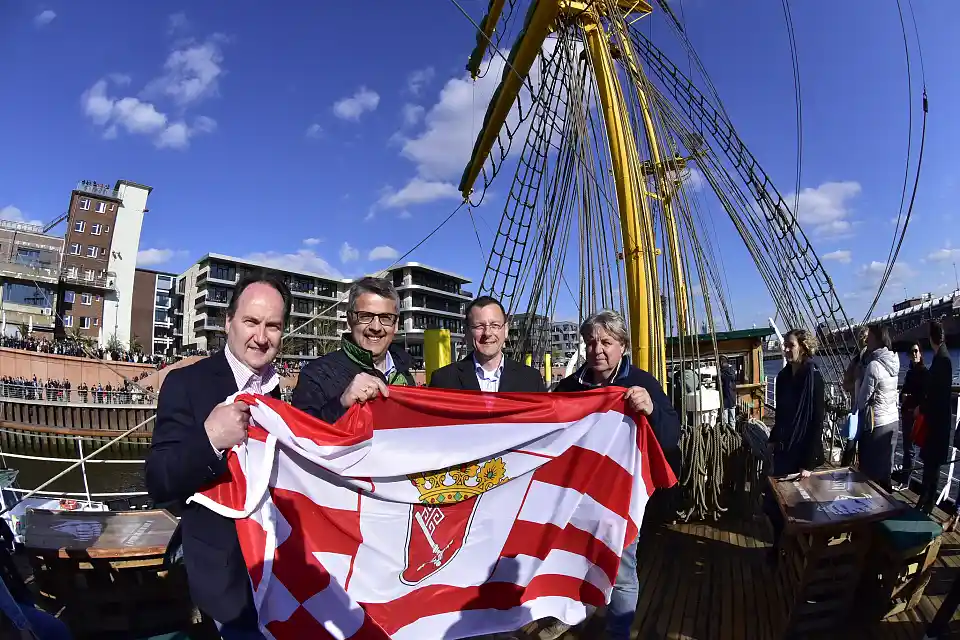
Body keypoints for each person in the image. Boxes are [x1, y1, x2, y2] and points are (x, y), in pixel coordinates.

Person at [146, 270, 291, 638]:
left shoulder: (279, 395)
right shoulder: (187, 383)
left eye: (272, 326)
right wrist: (210, 438)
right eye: (251, 322)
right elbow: (159, 480)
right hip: (227, 582)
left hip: (280, 574)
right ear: (228, 322)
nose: (261, 337)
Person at [554, 310, 680, 640]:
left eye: (606, 342)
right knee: (575, 562)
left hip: (620, 496)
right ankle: (576, 619)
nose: (597, 349)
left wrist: (651, 410)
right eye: (591, 342)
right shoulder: (568, 388)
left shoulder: (641, 384)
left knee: (622, 569)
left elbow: (670, 437)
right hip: (577, 496)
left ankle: (618, 632)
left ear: (622, 345)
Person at [293, 277, 414, 422]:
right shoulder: (315, 375)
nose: (376, 327)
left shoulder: (405, 373)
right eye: (365, 316)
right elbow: (301, 435)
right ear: (350, 321)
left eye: (386, 317)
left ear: (396, 324)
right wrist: (341, 405)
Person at [765, 329, 825, 561]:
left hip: (803, 453)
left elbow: (816, 422)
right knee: (772, 504)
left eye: (790, 345)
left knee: (799, 510)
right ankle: (779, 544)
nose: (786, 350)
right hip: (784, 448)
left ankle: (794, 554)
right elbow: (781, 415)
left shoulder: (813, 377)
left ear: (803, 346)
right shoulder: (782, 378)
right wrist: (772, 440)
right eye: (785, 345)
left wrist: (807, 464)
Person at [429, 296, 545, 392]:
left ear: (505, 330)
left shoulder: (531, 379)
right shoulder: (442, 380)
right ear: (468, 332)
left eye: (495, 325)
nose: (488, 333)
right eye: (479, 326)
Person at [856, 324, 900, 491]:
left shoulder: (874, 365)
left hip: (877, 423)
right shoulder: (894, 361)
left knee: (869, 470)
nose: (867, 340)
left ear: (878, 340)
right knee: (887, 466)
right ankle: (888, 504)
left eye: (871, 338)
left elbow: (863, 399)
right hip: (893, 420)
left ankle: (869, 508)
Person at [917, 321, 953, 513]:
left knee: (932, 465)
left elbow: (936, 394)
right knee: (931, 464)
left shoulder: (942, 361)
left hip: (936, 422)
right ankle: (926, 500)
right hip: (939, 421)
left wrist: (922, 408)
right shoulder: (943, 358)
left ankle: (928, 503)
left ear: (932, 339)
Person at [896, 341, 927, 485]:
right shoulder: (909, 373)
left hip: (915, 414)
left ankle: (905, 481)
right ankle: (904, 478)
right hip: (906, 413)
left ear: (920, 354)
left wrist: (909, 397)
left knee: (911, 449)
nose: (914, 354)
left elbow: (924, 395)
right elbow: (903, 392)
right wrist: (903, 396)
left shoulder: (924, 373)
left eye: (916, 351)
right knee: (907, 447)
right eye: (912, 352)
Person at [719, 355, 737, 426]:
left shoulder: (721, 373)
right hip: (732, 398)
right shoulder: (731, 371)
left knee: (725, 421)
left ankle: (727, 434)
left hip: (724, 399)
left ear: (721, 363)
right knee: (732, 420)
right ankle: (733, 434)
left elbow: (720, 386)